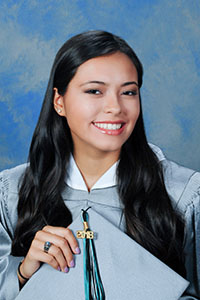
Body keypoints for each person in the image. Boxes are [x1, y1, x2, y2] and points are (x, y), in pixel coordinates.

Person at [0, 30, 199, 300]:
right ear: (59, 101)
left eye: (128, 92)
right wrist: (22, 274)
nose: (115, 107)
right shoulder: (11, 193)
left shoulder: (184, 194)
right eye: (95, 91)